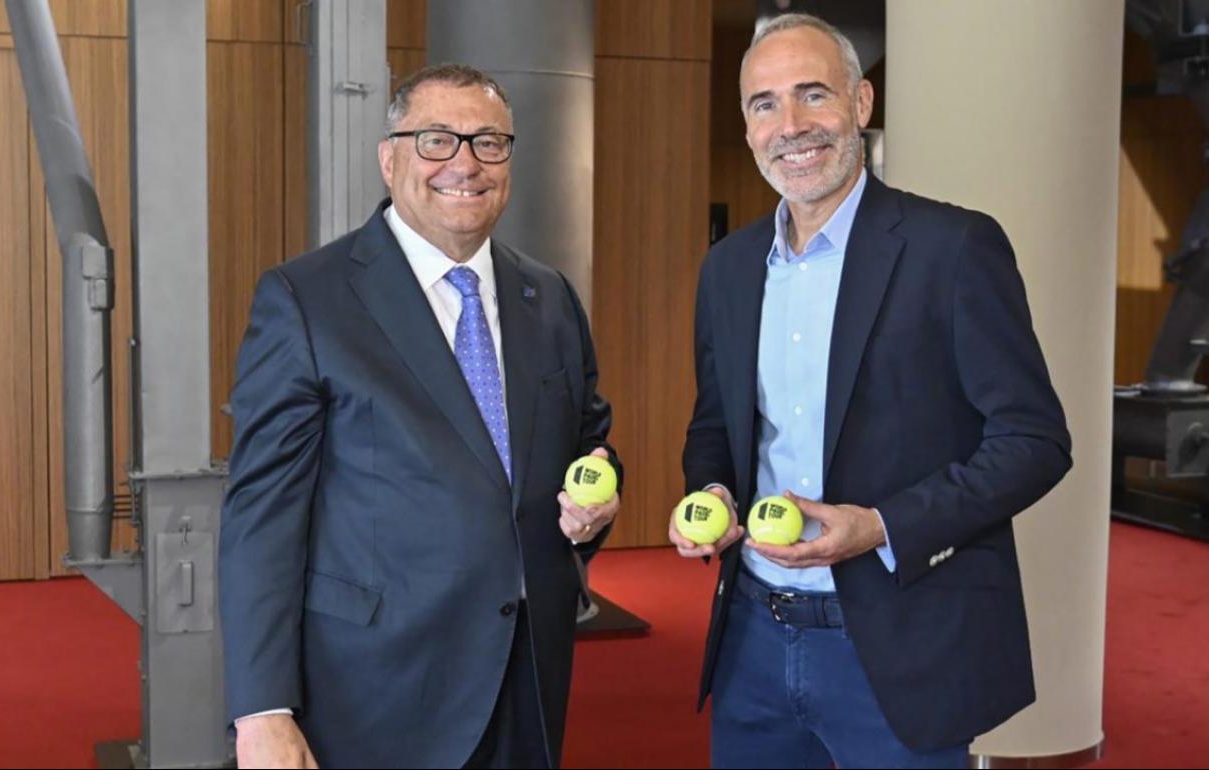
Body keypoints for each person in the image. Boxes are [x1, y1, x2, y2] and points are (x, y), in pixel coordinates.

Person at [670, 13, 1072, 769]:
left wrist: (881, 525)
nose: (790, 126)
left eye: (812, 95)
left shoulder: (953, 248)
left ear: (861, 103)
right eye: (764, 104)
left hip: (899, 642)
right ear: (748, 126)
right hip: (752, 638)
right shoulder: (728, 268)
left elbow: (1035, 442)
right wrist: (713, 492)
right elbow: (716, 425)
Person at [220, 63, 622, 769]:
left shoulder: (550, 296)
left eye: (489, 142)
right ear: (390, 157)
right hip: (375, 688)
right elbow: (262, 518)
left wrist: (598, 496)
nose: (464, 163)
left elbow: (589, 441)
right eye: (437, 140)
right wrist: (262, 711)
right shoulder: (308, 300)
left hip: (527, 673)